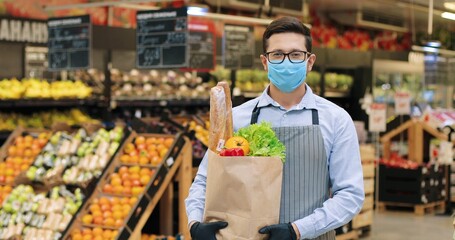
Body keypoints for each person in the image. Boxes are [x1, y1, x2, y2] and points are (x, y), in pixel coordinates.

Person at [185, 16, 364, 240]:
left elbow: (350, 195)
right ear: (264, 61)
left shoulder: (336, 120)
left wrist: (297, 230)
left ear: (310, 62)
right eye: (277, 54)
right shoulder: (237, 119)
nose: (286, 62)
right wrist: (195, 223)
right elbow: (205, 180)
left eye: (296, 54)